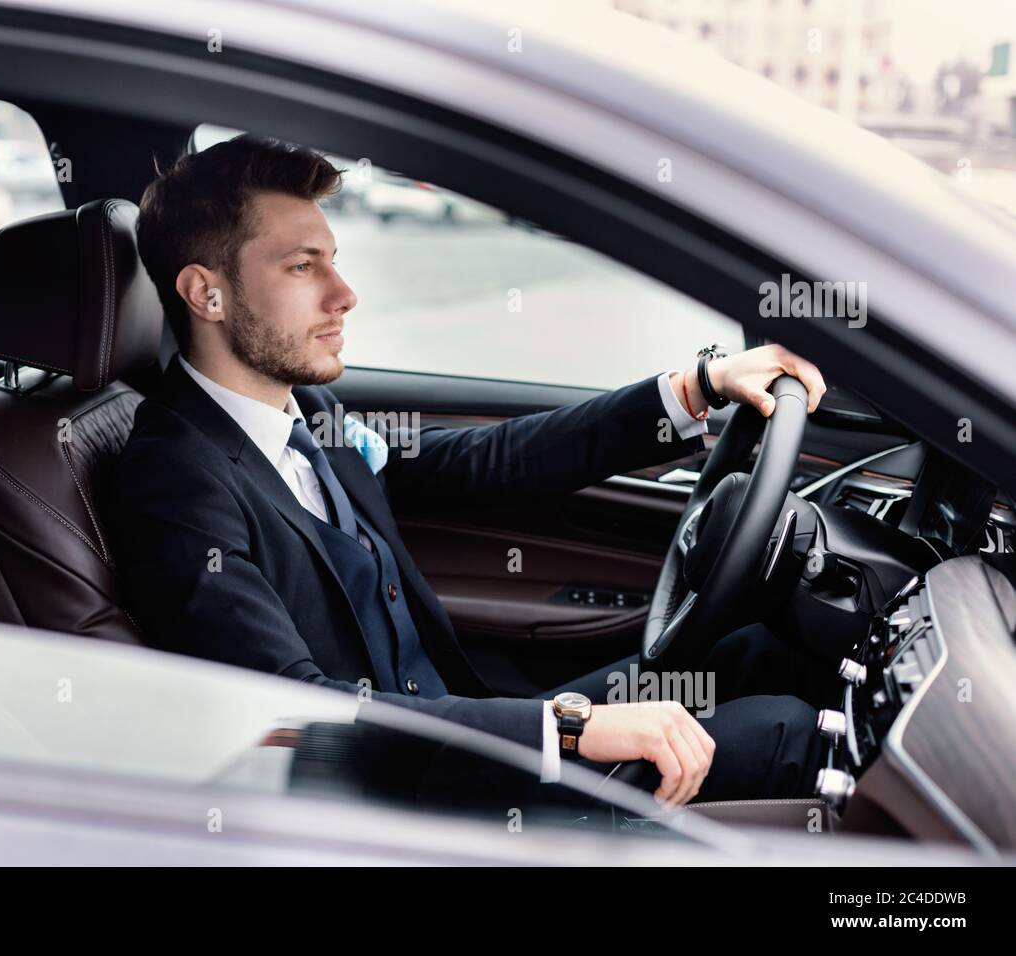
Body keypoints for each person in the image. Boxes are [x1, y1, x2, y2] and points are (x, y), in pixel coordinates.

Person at [117, 135, 829, 807]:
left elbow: (488, 461)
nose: (344, 293)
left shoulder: (307, 413)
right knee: (784, 735)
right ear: (206, 294)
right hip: (398, 794)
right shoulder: (172, 478)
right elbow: (290, 714)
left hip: (459, 733)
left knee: (749, 655)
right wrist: (566, 733)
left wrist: (695, 388)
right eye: (303, 267)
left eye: (333, 259)